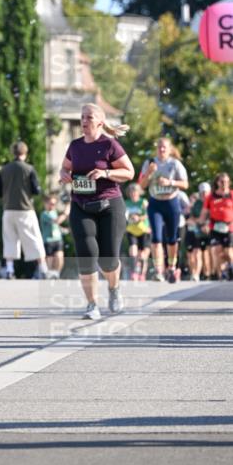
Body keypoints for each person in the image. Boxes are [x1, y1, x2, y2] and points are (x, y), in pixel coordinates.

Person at [59, 103, 134, 320]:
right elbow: (65, 167)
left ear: (100, 121)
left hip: (110, 206)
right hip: (81, 206)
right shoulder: (75, 146)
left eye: (89, 117)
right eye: (82, 117)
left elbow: (129, 172)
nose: (84, 121)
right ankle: (92, 305)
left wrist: (105, 173)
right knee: (86, 254)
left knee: (108, 259)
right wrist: (64, 174)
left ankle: (114, 288)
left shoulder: (109, 145)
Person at [0, 142, 48, 279]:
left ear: (13, 153)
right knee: (33, 238)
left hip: (8, 209)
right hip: (25, 209)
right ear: (26, 153)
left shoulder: (4, 169)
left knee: (10, 239)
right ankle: (43, 269)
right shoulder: (29, 169)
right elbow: (36, 190)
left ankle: (10, 270)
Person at [138, 137, 189, 283]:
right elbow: (141, 185)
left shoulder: (175, 164)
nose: (161, 149)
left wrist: (170, 182)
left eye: (164, 147)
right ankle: (159, 270)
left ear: (169, 149)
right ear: (156, 148)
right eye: (159, 147)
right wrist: (148, 173)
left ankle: (171, 267)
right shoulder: (150, 162)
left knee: (172, 239)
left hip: (171, 203)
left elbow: (185, 184)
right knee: (156, 238)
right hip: (155, 204)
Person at [199, 173, 233, 280]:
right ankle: (221, 273)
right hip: (215, 227)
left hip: (230, 227)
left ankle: (230, 267)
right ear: (217, 182)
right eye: (222, 181)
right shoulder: (211, 197)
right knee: (216, 251)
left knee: (228, 253)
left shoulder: (231, 195)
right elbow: (204, 212)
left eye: (227, 181)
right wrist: (203, 224)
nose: (224, 184)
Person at [124, 182, 151, 281]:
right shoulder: (126, 203)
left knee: (143, 255)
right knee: (133, 251)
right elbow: (124, 216)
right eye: (131, 192)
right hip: (131, 230)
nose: (133, 194)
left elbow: (149, 215)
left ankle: (142, 274)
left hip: (144, 230)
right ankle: (134, 272)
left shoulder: (143, 202)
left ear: (139, 193)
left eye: (135, 192)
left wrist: (139, 218)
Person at [185, 183, 212, 282]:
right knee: (197, 253)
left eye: (206, 192)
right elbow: (191, 217)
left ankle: (209, 273)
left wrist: (207, 224)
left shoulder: (212, 201)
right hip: (198, 232)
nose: (204, 194)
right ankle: (196, 274)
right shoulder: (197, 203)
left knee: (208, 253)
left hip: (211, 231)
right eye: (202, 192)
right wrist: (197, 222)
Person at [40, 193, 68, 278]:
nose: (53, 206)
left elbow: (56, 226)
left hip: (57, 239)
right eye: (51, 204)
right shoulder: (44, 214)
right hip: (48, 241)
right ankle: (50, 275)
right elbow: (56, 221)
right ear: (46, 203)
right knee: (50, 262)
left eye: (54, 204)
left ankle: (57, 274)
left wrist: (63, 230)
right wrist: (65, 213)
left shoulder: (54, 212)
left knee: (60, 257)